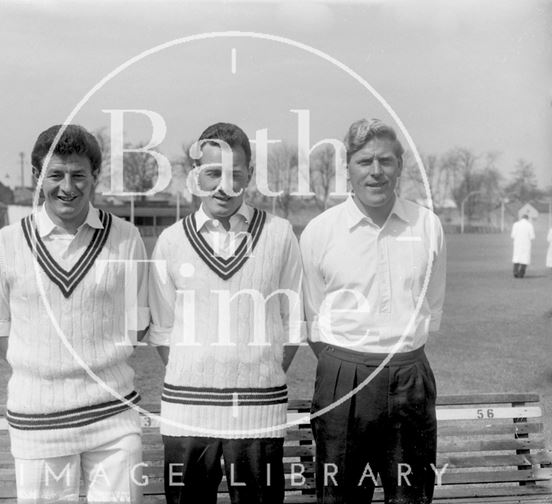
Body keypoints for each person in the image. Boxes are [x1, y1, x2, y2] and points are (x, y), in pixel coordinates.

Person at [0, 124, 149, 503]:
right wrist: (39, 364)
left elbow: (137, 322)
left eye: (78, 175)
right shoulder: (7, 243)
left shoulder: (125, 237)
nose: (67, 187)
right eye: (55, 175)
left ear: (95, 177)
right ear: (38, 177)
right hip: (38, 423)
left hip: (114, 418)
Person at [148, 122, 305, 504]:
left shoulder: (280, 234)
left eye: (235, 174)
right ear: (195, 175)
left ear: (249, 175)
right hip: (188, 413)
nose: (224, 185)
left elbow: (293, 325)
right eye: (213, 173)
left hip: (258, 415)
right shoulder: (171, 241)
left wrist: (255, 370)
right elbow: (164, 332)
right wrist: (204, 371)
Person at [300, 118, 446, 504]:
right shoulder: (320, 231)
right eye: (365, 161)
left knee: (411, 497)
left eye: (386, 160)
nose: (376, 171)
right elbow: (314, 318)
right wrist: (353, 364)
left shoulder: (428, 226)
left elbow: (431, 304)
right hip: (343, 377)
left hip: (410, 378)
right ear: (348, 169)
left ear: (400, 165)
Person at [511, 214, 535, 278]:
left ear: (521, 218)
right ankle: (521, 273)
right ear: (527, 219)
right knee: (525, 259)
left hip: (517, 244)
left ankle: (515, 272)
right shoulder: (530, 225)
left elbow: (512, 236)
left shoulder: (515, 224)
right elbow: (532, 237)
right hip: (526, 244)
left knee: (516, 258)